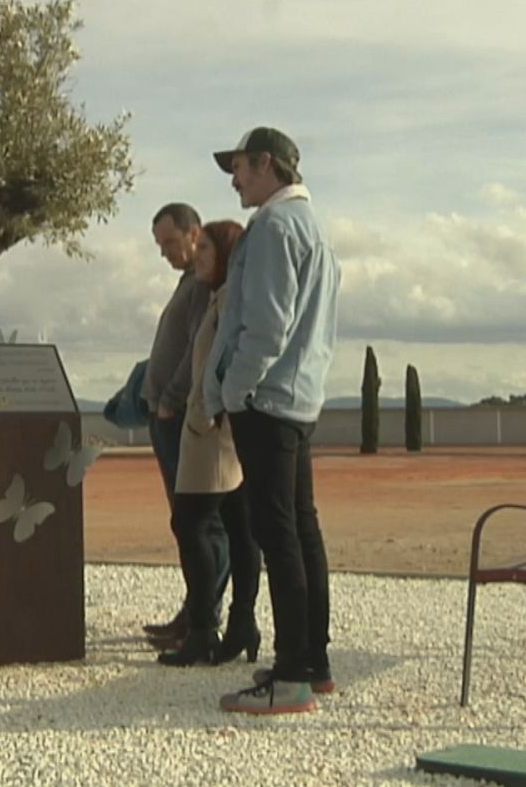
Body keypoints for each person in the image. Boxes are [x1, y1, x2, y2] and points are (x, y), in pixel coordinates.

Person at [204, 127, 341, 716]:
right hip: (298, 399)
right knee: (300, 529)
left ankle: (289, 679)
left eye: (238, 167)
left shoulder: (274, 228)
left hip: (267, 401)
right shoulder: (313, 227)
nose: (233, 180)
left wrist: (234, 392)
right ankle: (312, 663)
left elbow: (264, 327)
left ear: (266, 164)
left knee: (277, 534)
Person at [158, 219, 262, 667]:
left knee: (191, 524)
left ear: (225, 255)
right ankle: (240, 624)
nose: (196, 257)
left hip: (212, 433)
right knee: (238, 527)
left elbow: (226, 362)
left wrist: (205, 409)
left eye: (205, 250)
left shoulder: (229, 301)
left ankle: (203, 629)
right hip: (212, 428)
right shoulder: (219, 297)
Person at [139, 203, 223, 646]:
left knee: (199, 524)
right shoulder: (188, 281)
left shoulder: (203, 284)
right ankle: (194, 611)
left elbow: (197, 349)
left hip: (179, 419)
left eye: (170, 242)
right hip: (165, 416)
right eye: (160, 246)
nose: (165, 253)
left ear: (194, 233)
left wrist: (170, 401)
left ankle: (202, 616)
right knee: (186, 522)